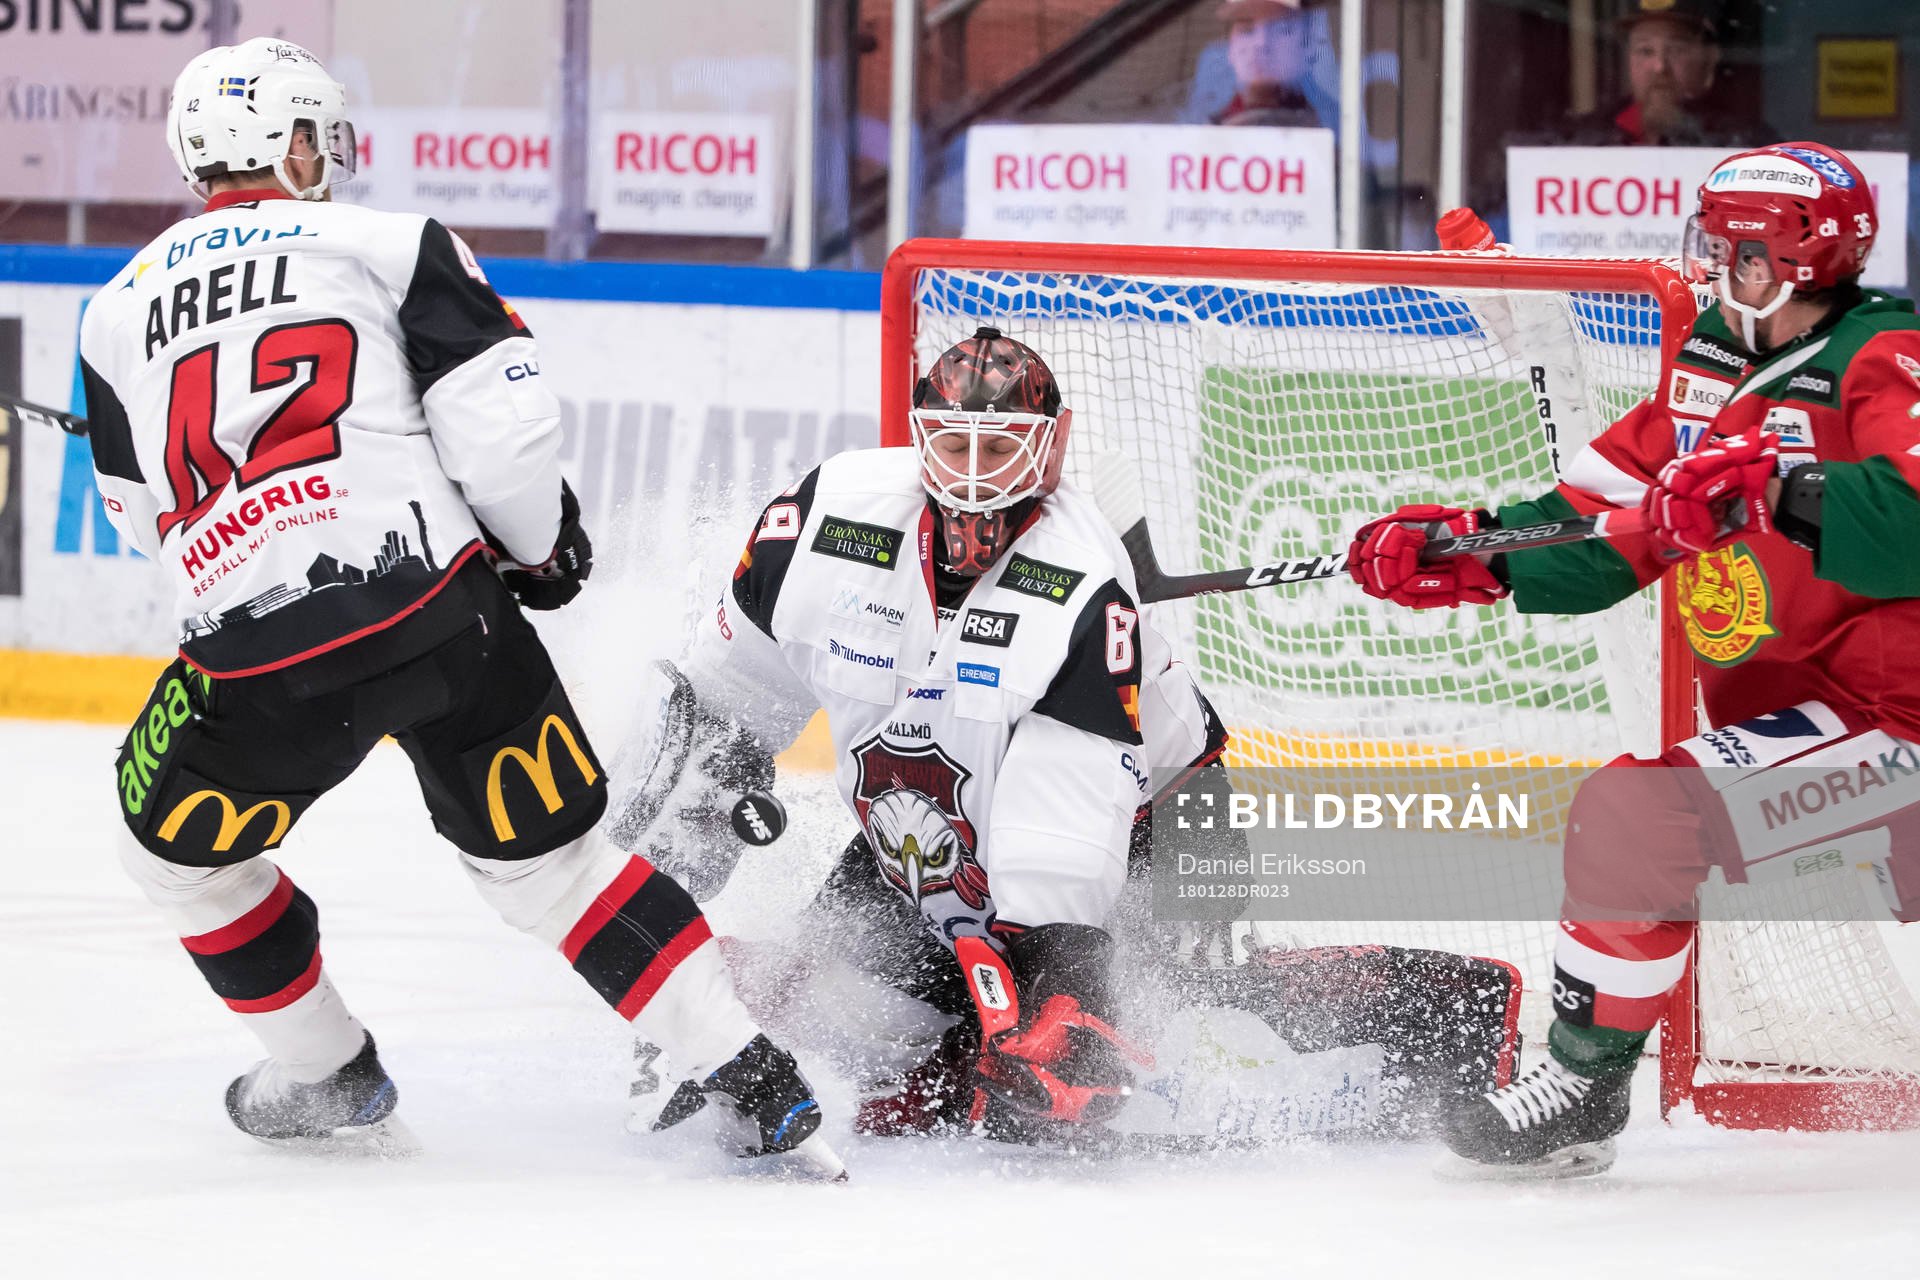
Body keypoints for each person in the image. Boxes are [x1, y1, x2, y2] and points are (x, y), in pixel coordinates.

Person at [81, 36, 837, 1174]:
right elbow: (500, 420)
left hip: (255, 664)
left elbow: (145, 521)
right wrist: (538, 553)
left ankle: (324, 1066)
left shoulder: (111, 312)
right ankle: (749, 1068)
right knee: (558, 867)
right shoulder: (389, 243)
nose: (322, 156)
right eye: (311, 136)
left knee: (177, 857)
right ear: (282, 143)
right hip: (444, 614)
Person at [1349, 140, 1920, 1175]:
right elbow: (1602, 516)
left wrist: (1782, 492)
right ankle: (1583, 1081)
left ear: (1793, 261)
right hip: (1828, 737)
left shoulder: (1889, 356)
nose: (1707, 263)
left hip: (1905, 737)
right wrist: (1469, 551)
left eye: (1732, 248)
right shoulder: (1707, 363)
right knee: (1636, 819)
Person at [607, 327, 1237, 1139]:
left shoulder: (1081, 584)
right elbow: (729, 697)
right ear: (918, 436)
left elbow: (1062, 838)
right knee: (833, 1030)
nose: (975, 473)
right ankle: (952, 1052)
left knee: (1153, 1060)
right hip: (934, 842)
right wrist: (696, 803)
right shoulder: (822, 521)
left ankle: (1430, 1009)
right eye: (953, 441)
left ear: (1054, 447)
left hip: (1165, 832)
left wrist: (1065, 997)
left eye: (1003, 445)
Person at [1558, 0, 1764, 148]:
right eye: (1645, 51)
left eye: (1676, 50)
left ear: (1708, 58)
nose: (1659, 66)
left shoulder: (1742, 143)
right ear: (1628, 59)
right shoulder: (1583, 138)